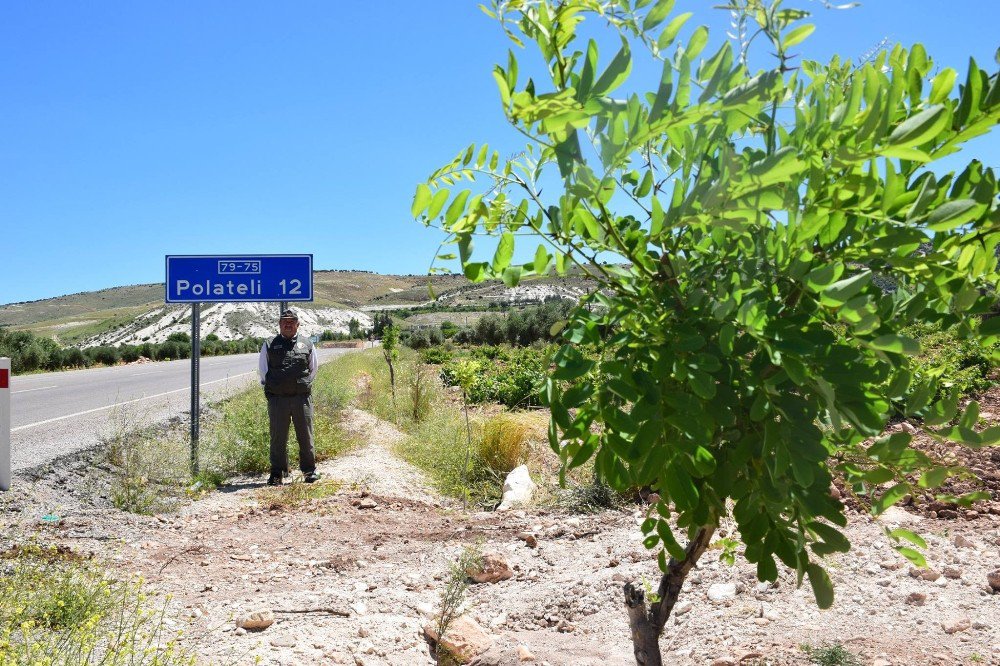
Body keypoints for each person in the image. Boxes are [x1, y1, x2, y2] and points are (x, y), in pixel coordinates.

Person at [258, 308, 320, 486]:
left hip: (302, 399)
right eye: (284, 321)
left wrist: (303, 384)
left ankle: (309, 471)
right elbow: (263, 370)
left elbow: (313, 369)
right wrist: (274, 389)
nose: (288, 324)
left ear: (297, 325)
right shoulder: (269, 344)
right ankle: (277, 474)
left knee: (306, 436)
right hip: (278, 400)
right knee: (278, 437)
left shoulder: (307, 344)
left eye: (291, 322)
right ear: (279, 325)